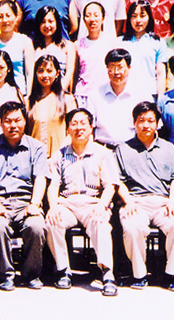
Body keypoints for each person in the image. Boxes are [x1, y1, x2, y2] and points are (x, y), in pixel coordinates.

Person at [46, 108, 119, 296]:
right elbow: (53, 185)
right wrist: (53, 207)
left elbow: (110, 185)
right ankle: (63, 270)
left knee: (101, 223)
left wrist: (102, 205)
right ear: (68, 129)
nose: (79, 128)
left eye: (83, 123)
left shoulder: (103, 153)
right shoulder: (59, 155)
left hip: (93, 203)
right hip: (67, 203)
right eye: (74, 124)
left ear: (91, 126)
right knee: (52, 221)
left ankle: (107, 274)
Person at [115, 101, 174, 291]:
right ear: (134, 123)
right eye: (141, 120)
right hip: (135, 201)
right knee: (132, 227)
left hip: (164, 202)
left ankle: (171, 275)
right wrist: (128, 202)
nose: (145, 125)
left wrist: (172, 202)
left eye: (150, 120)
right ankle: (139, 275)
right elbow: (118, 181)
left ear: (157, 123)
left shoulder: (169, 148)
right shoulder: (123, 149)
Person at [0, 102, 47, 291]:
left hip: (26, 201)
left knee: (36, 226)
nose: (13, 125)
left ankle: (31, 274)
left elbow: (40, 177)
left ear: (25, 122)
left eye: (17, 120)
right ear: (1, 123)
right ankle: (6, 275)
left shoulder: (37, 147)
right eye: (7, 121)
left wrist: (35, 204)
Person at [84, 48, 151, 148]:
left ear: (129, 67)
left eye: (120, 67)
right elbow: (88, 127)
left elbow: (150, 127)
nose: (116, 72)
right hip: (103, 149)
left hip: (132, 149)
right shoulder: (95, 95)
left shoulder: (141, 94)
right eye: (112, 67)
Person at [27, 54, 77, 157]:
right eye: (40, 71)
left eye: (49, 71)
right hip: (35, 158)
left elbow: (73, 131)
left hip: (60, 158)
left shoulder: (67, 100)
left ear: (57, 73)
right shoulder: (28, 101)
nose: (45, 75)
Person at [117, 0, 169, 96]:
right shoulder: (120, 42)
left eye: (142, 15)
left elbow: (161, 74)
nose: (138, 20)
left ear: (149, 17)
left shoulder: (158, 42)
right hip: (125, 94)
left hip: (149, 94)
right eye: (134, 16)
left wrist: (161, 98)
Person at [0, 0, 35, 96]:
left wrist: (28, 97)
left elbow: (30, 73)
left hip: (19, 95)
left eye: (8, 15)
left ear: (16, 16)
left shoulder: (25, 42)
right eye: (0, 16)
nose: (4, 20)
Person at [73, 1, 113, 105]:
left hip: (105, 94)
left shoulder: (112, 42)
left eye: (96, 15)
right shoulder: (78, 45)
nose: (92, 19)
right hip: (83, 95)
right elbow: (75, 73)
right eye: (88, 15)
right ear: (83, 19)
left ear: (103, 18)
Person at [32, 5, 76, 91]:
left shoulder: (68, 46)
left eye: (50, 21)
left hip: (60, 93)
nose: (47, 25)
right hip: (38, 94)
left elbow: (69, 74)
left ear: (57, 23)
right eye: (43, 22)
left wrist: (58, 94)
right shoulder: (32, 46)